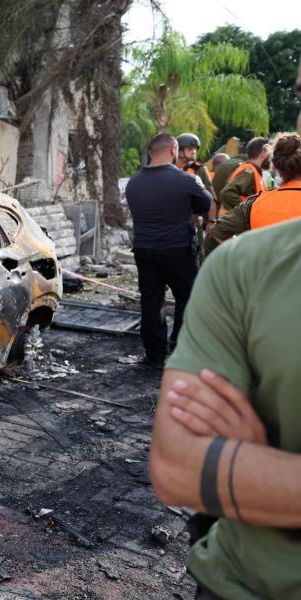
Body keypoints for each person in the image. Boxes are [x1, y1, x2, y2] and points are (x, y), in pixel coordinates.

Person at [148, 61, 301, 600]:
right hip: (239, 581)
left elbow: (218, 222)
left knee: (157, 308)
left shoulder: (250, 192)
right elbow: (177, 462)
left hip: (175, 259)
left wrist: (263, 472)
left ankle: (164, 348)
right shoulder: (239, 189)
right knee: (179, 307)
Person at [125, 133, 213, 367]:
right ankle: (180, 349)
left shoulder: (134, 182)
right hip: (178, 249)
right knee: (188, 298)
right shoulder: (186, 180)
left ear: (151, 152)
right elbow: (206, 204)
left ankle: (154, 355)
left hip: (145, 250)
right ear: (174, 149)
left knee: (151, 301)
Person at [203, 132, 301, 256]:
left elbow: (214, 234)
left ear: (277, 166)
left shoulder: (254, 203)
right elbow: (227, 192)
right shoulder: (249, 171)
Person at [217, 136, 272, 217]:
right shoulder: (249, 171)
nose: (271, 157)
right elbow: (227, 193)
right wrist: (247, 210)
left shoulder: (252, 170)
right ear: (263, 153)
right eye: (270, 154)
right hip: (235, 224)